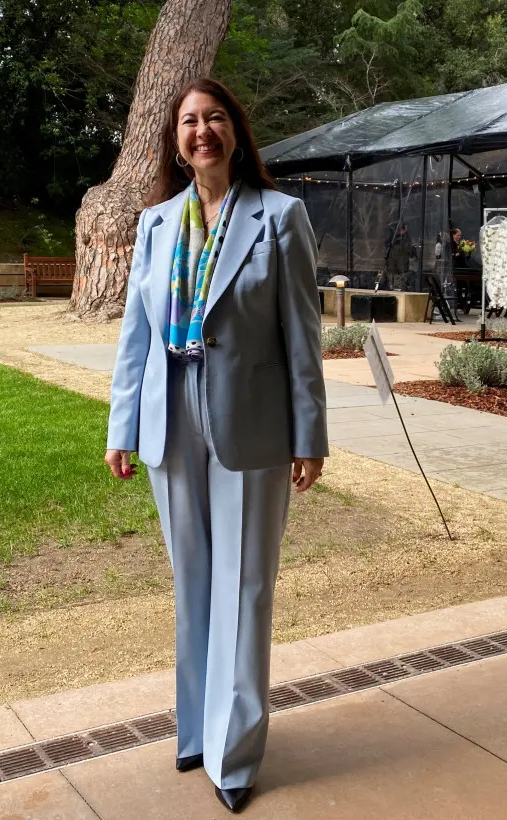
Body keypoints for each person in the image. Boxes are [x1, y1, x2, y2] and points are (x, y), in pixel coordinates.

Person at [104, 77, 328, 814]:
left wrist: (309, 434)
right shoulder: (156, 223)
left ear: (236, 132)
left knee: (244, 586)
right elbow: (136, 336)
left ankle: (235, 754)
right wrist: (123, 426)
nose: (202, 132)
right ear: (176, 139)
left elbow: (303, 337)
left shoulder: (280, 217)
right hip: (171, 416)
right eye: (190, 121)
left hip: (252, 422)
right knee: (194, 581)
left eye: (215, 119)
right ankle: (197, 728)